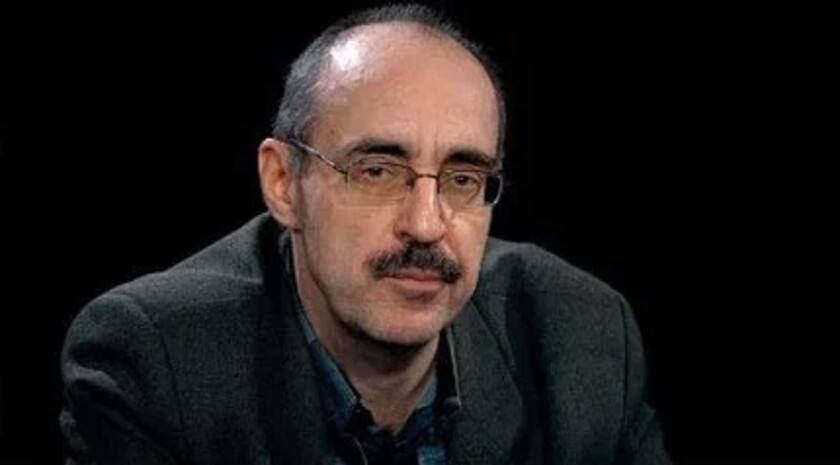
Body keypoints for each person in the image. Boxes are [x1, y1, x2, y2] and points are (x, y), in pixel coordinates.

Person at [60, 4, 670, 464]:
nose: (426, 224)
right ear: (283, 184)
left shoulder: (583, 340)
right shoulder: (155, 363)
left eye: (462, 179)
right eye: (377, 172)